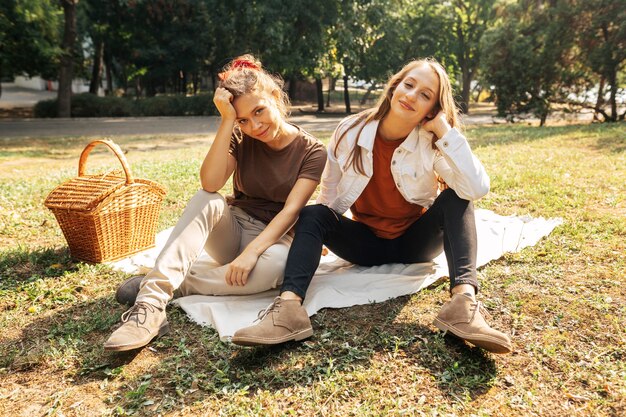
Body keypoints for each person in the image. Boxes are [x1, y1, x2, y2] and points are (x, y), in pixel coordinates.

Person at [232, 58, 512, 354]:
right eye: (409, 84)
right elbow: (329, 191)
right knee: (313, 213)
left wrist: (444, 130)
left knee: (458, 196)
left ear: (433, 109)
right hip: (364, 244)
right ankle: (288, 312)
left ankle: (462, 305)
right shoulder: (350, 130)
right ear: (394, 87)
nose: (412, 96)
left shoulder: (432, 141)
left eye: (426, 95)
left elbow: (477, 187)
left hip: (415, 243)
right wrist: (317, 238)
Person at [104, 55, 327, 351]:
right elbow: (210, 184)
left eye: (259, 111)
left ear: (275, 97)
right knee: (205, 198)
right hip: (232, 228)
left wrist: (252, 253)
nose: (255, 125)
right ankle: (151, 304)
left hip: (273, 238)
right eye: (243, 120)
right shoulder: (238, 134)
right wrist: (227, 122)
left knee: (278, 266)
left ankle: (181, 284)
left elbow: (291, 211)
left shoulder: (312, 151)